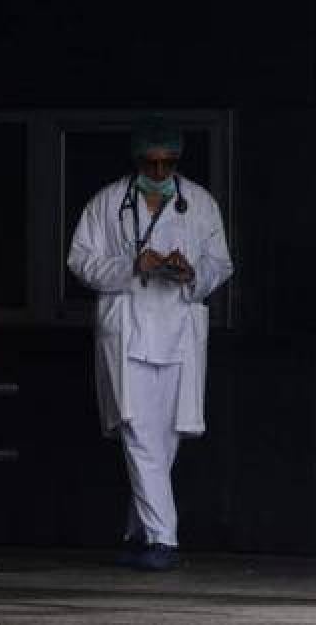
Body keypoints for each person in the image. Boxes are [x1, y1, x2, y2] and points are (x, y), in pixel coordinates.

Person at [66, 115, 233, 572]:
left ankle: (137, 534)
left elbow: (221, 264)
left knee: (167, 438)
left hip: (178, 331)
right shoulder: (106, 203)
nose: (159, 173)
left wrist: (191, 272)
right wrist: (133, 264)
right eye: (151, 163)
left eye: (167, 164)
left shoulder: (198, 203)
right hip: (129, 330)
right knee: (139, 432)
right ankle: (164, 540)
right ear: (137, 160)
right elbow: (80, 260)